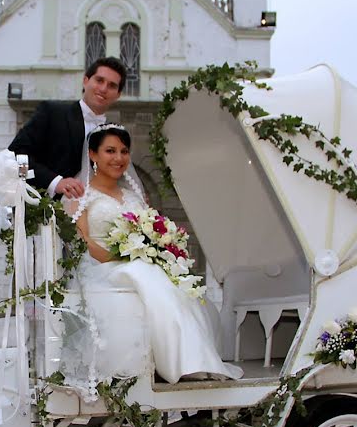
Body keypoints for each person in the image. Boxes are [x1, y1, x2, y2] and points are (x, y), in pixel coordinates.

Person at [61, 124, 243, 396]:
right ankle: (180, 363)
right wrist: (122, 257)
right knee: (144, 275)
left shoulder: (135, 196)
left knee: (176, 282)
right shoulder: (80, 196)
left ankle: (194, 360)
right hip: (101, 268)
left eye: (124, 151)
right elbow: (82, 242)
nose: (118, 158)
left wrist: (158, 251)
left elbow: (152, 230)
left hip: (137, 261)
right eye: (110, 150)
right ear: (93, 155)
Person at [8, 57, 126, 199]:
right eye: (99, 80)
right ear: (86, 81)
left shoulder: (114, 133)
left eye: (112, 85)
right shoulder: (52, 112)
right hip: (47, 211)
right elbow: (14, 156)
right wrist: (55, 182)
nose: (103, 88)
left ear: (118, 95)